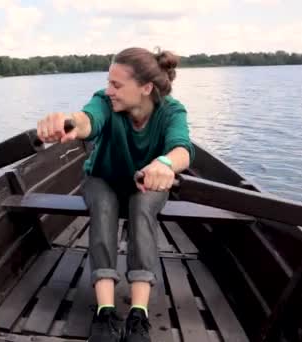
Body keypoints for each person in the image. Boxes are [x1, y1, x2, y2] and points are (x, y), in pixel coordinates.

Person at [36, 47, 194, 342]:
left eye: (117, 85)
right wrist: (67, 123)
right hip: (103, 179)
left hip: (146, 184)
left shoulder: (172, 111)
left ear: (146, 88)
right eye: (109, 82)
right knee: (104, 205)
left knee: (143, 205)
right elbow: (87, 120)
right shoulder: (104, 102)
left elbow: (182, 149)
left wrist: (165, 163)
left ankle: (138, 314)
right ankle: (105, 311)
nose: (109, 90)